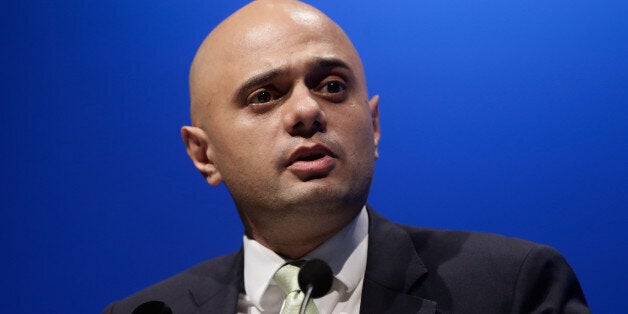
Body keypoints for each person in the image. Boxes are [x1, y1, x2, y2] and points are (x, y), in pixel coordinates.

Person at [103, 0, 589, 313]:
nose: (308, 110)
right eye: (264, 96)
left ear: (373, 125)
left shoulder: (511, 289)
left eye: (332, 86)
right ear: (204, 154)